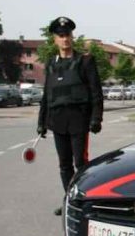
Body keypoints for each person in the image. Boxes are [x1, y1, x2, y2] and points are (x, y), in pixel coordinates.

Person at [37, 16, 103, 207]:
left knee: (80, 163)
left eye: (68, 35)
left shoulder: (85, 61)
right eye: (60, 36)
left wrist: (96, 118)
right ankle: (70, 200)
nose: (65, 39)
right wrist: (41, 122)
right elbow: (47, 96)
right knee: (64, 165)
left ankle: (83, 198)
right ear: (54, 39)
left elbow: (96, 93)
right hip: (58, 122)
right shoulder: (51, 64)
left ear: (72, 37)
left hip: (79, 121)